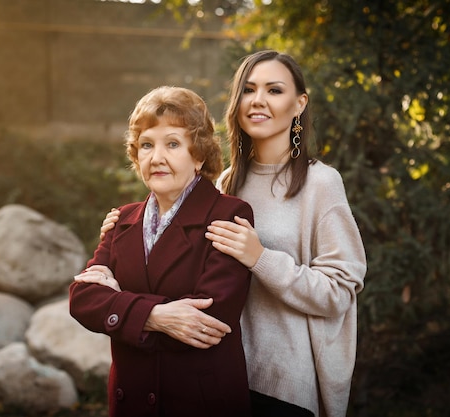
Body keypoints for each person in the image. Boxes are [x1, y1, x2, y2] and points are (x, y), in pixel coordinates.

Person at [98, 50, 367, 417]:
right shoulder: (225, 185)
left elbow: (339, 293)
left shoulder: (320, 183)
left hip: (281, 384)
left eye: (274, 90)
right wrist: (123, 234)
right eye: (248, 90)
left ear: (299, 103)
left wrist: (261, 259)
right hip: (218, 380)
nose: (258, 100)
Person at [69, 86, 254, 417]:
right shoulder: (122, 220)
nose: (156, 158)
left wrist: (119, 303)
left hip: (200, 403)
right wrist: (157, 317)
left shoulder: (228, 214)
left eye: (172, 144)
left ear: (198, 154)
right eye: (146, 145)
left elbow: (208, 322)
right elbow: (82, 300)